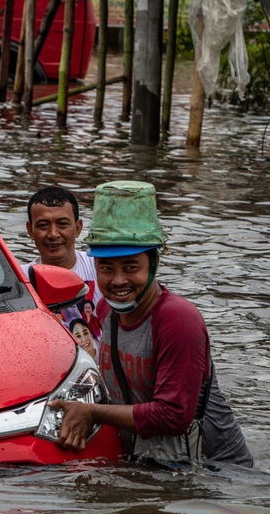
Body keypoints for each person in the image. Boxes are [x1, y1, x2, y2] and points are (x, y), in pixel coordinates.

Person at [48, 180, 252, 468]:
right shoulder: (106, 310)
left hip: (213, 471)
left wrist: (91, 413)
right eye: (106, 269)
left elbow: (172, 415)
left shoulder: (177, 319)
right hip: (151, 460)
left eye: (131, 267)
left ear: (153, 264)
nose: (118, 281)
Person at [22, 186, 103, 318]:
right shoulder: (21, 280)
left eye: (62, 224)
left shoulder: (99, 267)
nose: (53, 234)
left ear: (78, 228)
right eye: (43, 225)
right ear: (30, 230)